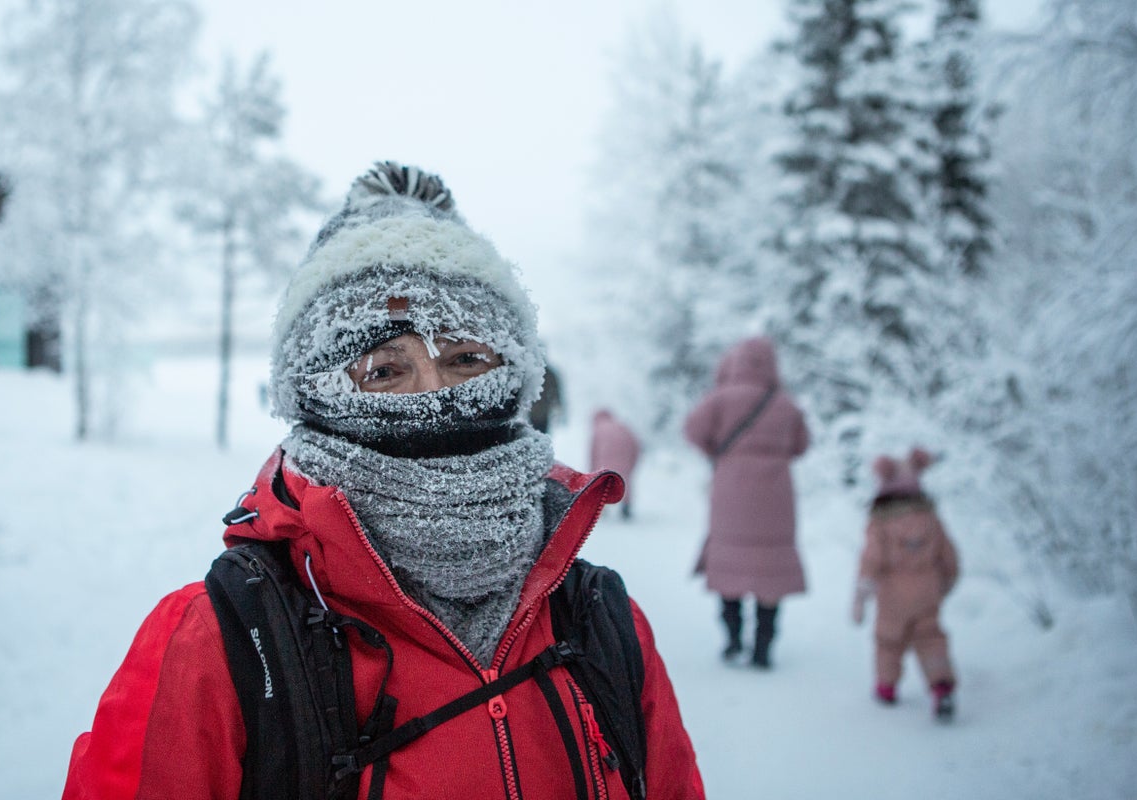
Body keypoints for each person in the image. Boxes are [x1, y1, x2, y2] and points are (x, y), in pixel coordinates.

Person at [60, 162, 703, 799]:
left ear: (515, 379)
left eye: (466, 360)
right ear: (315, 395)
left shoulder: (601, 623)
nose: (435, 396)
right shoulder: (221, 644)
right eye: (384, 372)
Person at [683, 336, 810, 668]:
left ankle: (733, 639)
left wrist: (719, 451)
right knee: (771, 571)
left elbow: (692, 430)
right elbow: (802, 445)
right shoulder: (785, 404)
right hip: (776, 496)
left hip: (731, 489)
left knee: (729, 563)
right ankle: (763, 647)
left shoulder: (720, 399)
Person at [851, 447, 960, 720]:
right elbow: (949, 555)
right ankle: (941, 686)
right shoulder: (930, 519)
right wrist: (947, 582)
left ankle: (886, 687)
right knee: (931, 638)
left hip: (892, 595)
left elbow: (872, 558)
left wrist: (862, 591)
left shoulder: (881, 522)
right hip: (927, 590)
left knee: (888, 641)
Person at [589, 408, 642, 520]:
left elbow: (593, 451)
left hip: (605, 458)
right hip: (624, 457)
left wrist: (592, 470)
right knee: (625, 480)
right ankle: (626, 507)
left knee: (603, 481)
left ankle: (601, 506)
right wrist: (632, 462)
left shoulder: (599, 429)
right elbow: (635, 445)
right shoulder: (623, 426)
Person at [527, 362, 564, 432]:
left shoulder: (534, 371)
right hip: (536, 412)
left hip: (539, 412)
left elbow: (555, 391)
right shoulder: (548, 373)